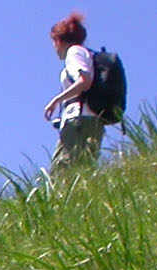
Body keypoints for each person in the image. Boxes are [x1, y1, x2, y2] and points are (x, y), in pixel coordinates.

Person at [43, 11, 101, 175]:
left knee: (62, 173)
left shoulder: (74, 52)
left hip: (78, 121)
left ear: (58, 40)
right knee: (84, 171)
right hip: (91, 120)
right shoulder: (87, 53)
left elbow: (84, 81)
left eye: (54, 42)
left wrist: (56, 100)